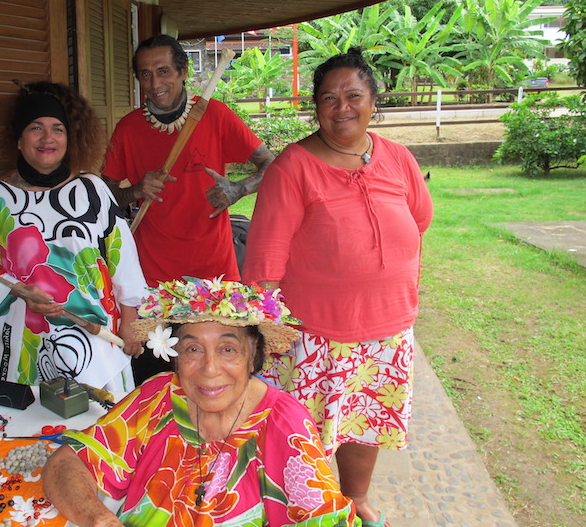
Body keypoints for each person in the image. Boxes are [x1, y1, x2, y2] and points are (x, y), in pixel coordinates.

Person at [242, 48, 433, 527]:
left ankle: (356, 498)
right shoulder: (293, 166)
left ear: (373, 100)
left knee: (364, 421)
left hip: (388, 328)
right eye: (329, 98)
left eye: (353, 95)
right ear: (316, 106)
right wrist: (264, 328)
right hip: (316, 332)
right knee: (302, 429)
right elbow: (265, 258)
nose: (342, 107)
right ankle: (301, 506)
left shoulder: (399, 158)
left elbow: (420, 218)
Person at [42, 277, 361, 526]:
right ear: (176, 356)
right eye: (193, 349)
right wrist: (100, 519)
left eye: (228, 350)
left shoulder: (284, 425)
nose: (209, 369)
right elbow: (68, 463)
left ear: (255, 357)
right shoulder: (159, 396)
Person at [102, 34, 275, 383]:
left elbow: (271, 165)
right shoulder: (128, 129)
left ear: (183, 72)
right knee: (157, 383)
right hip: (151, 280)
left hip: (215, 275)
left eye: (164, 71)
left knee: (218, 379)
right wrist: (135, 190)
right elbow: (103, 195)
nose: (154, 83)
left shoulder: (216, 116)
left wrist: (238, 189)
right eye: (145, 74)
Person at [0, 81, 146, 392]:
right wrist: (19, 289)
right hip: (25, 337)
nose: (48, 138)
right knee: (32, 432)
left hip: (95, 334)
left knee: (99, 426)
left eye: (57, 129)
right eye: (36, 128)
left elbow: (123, 260)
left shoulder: (93, 190)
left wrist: (131, 322)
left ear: (68, 138)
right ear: (19, 140)